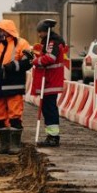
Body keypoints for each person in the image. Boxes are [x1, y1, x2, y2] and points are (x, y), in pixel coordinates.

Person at [0, 19, 33, 154]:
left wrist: (13, 66)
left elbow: (29, 61)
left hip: (14, 85)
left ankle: (15, 146)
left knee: (15, 116)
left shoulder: (21, 43)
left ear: (9, 30)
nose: (0, 32)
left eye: (2, 29)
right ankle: (4, 146)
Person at [32, 18, 69, 147]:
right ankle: (50, 135)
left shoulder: (53, 42)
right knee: (47, 108)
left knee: (50, 108)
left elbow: (50, 58)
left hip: (51, 80)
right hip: (49, 80)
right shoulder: (49, 41)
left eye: (40, 32)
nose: (39, 35)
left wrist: (36, 61)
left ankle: (53, 137)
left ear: (45, 31)